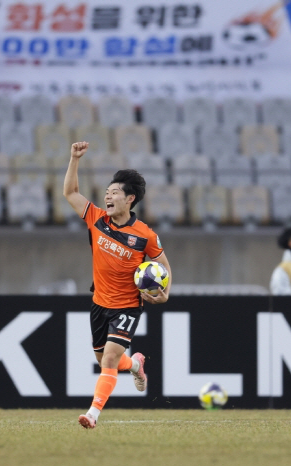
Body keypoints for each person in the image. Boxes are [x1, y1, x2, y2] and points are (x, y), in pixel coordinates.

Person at [63, 141, 172, 429]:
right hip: (99, 303)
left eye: (114, 193)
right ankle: (136, 364)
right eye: (107, 193)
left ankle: (92, 414)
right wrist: (74, 159)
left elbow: (164, 267)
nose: (107, 197)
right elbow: (71, 193)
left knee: (109, 358)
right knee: (108, 360)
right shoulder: (96, 219)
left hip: (127, 305)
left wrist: (165, 294)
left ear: (130, 199)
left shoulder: (144, 235)